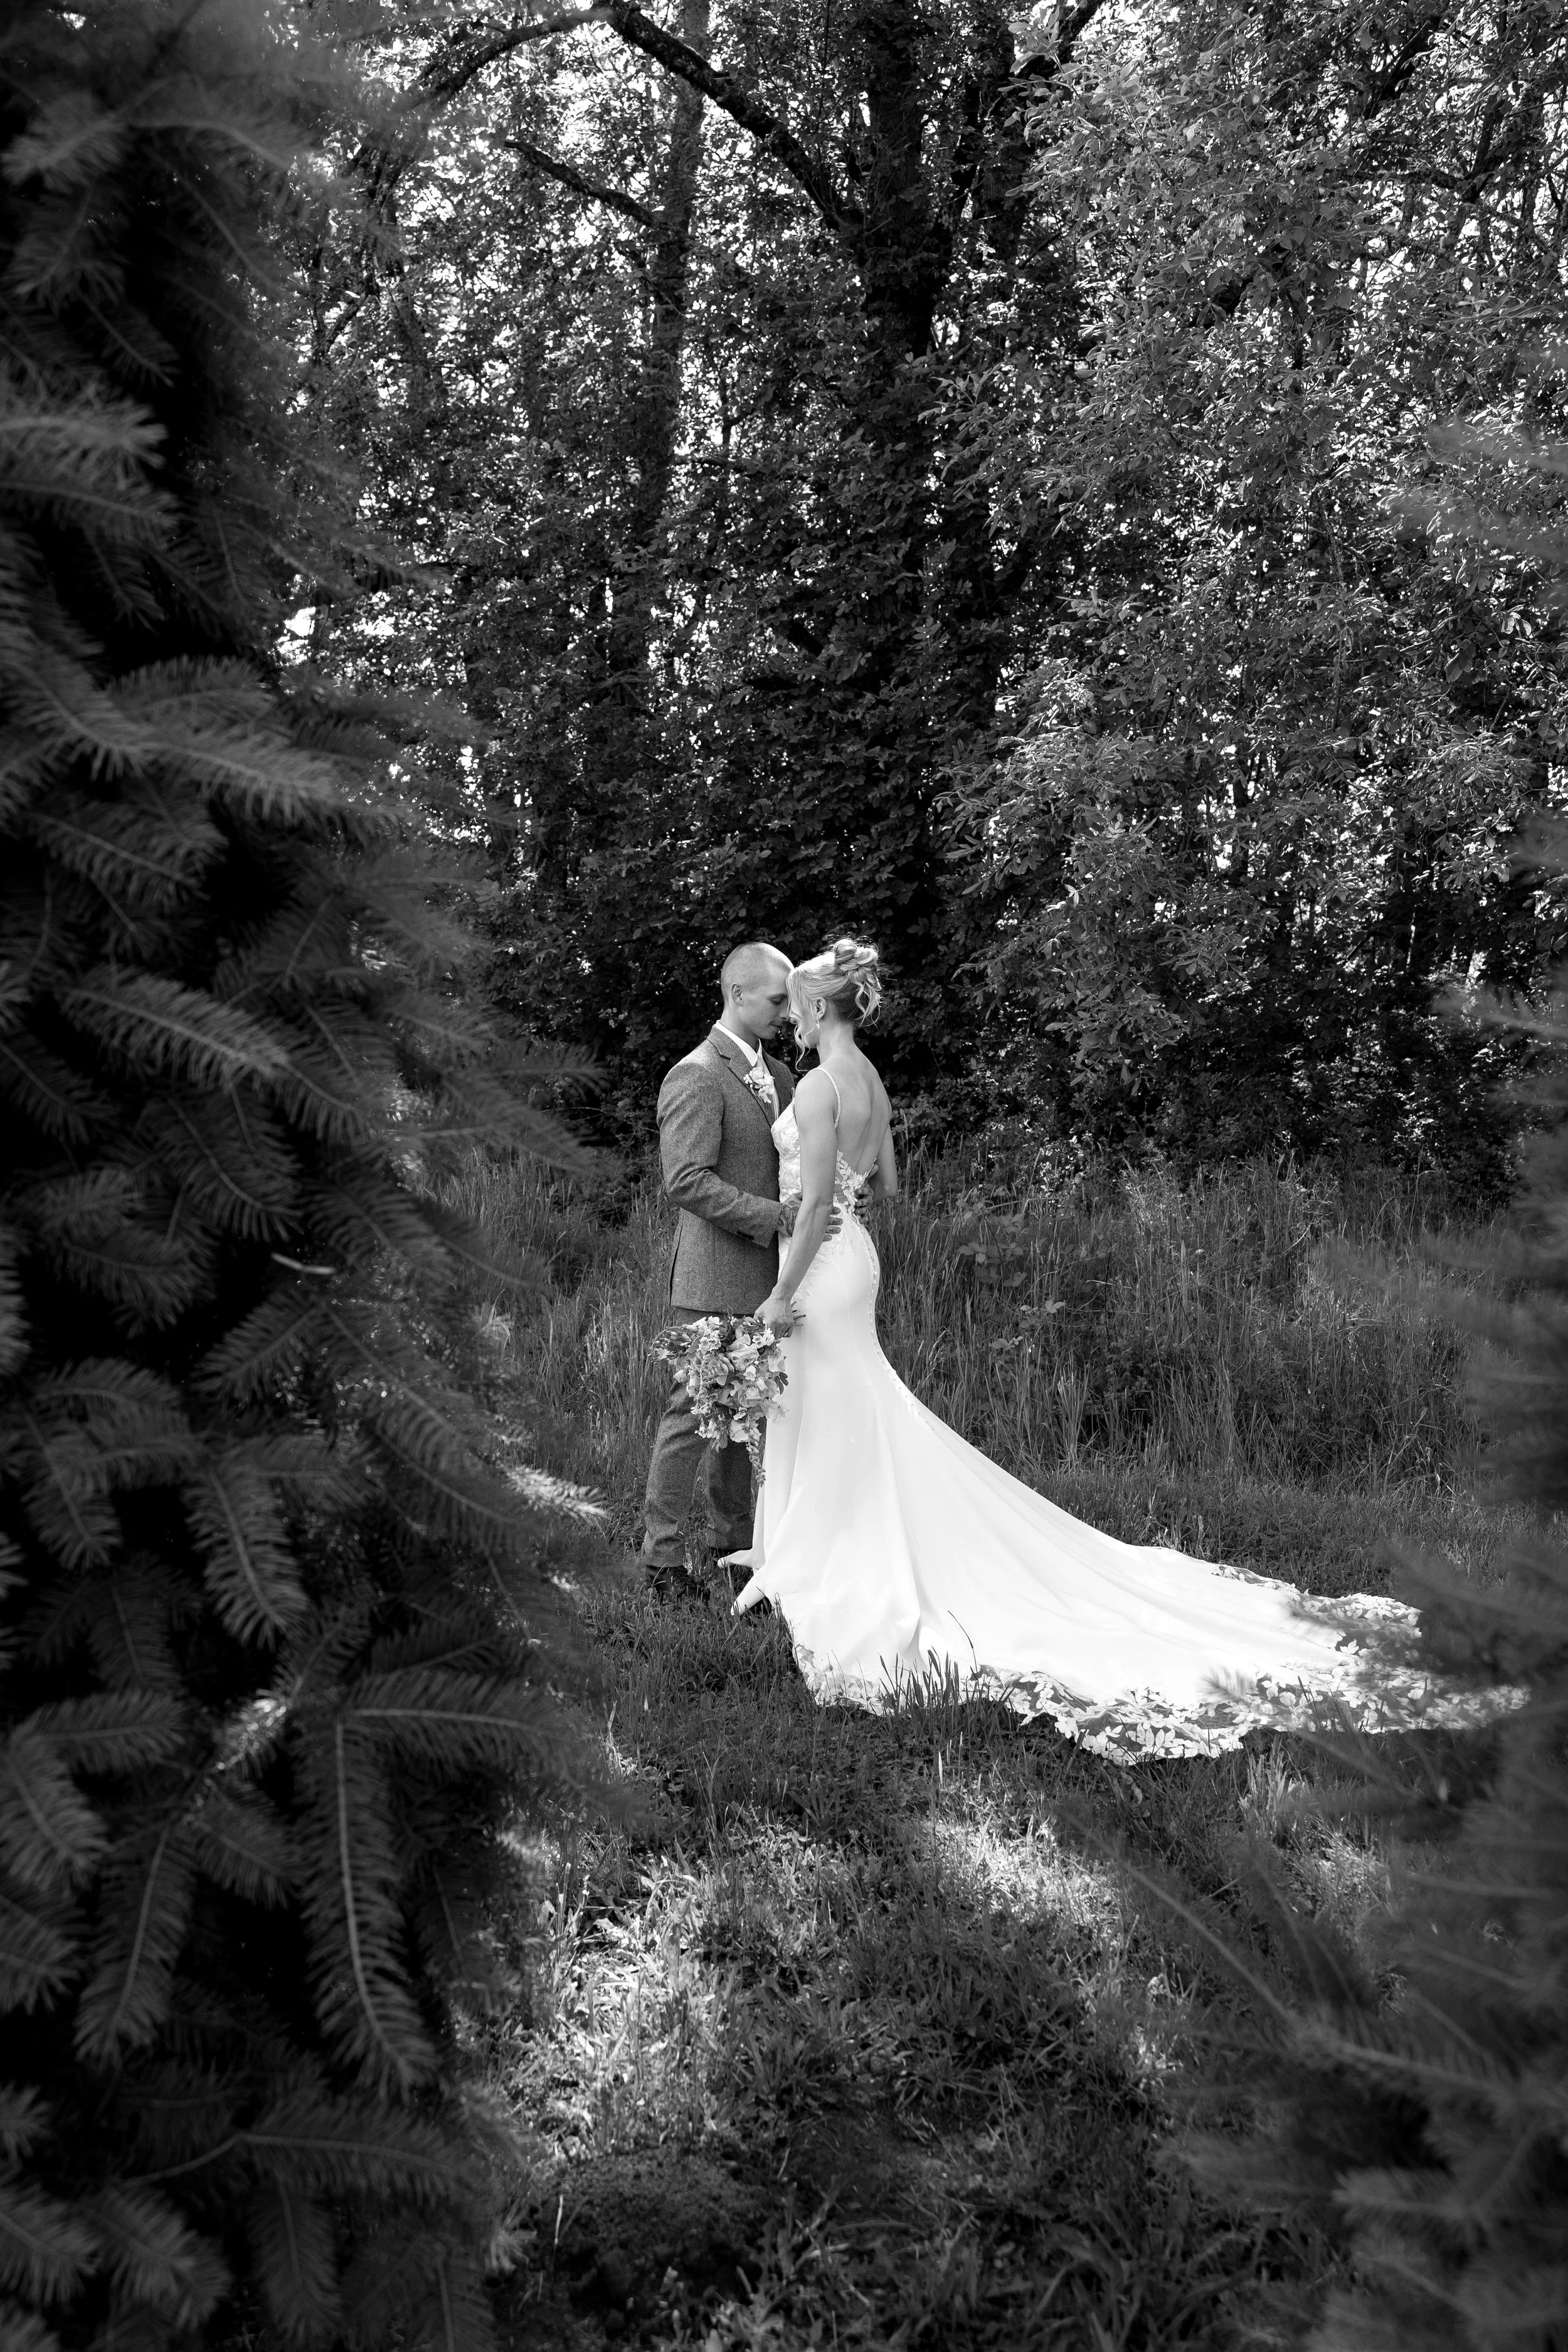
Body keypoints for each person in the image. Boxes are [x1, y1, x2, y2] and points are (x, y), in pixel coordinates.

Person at [725, 938, 1488, 1760]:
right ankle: (799, 1547)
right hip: (857, 1256)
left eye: (793, 1005)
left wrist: (777, 1290)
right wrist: (832, 1206)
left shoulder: (812, 1086)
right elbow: (885, 1187)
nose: (788, 1018)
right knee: (844, 1406)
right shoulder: (866, 1079)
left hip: (817, 1267)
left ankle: (822, 1561)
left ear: (814, 1007)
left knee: (833, 1405)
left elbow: (806, 1213)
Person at [639, 941, 800, 1594]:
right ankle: (662, 1561)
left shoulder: (784, 1076)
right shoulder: (698, 1074)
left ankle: (734, 1553)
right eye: (775, 1000)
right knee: (692, 1419)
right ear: (737, 995)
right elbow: (684, 1180)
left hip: (768, 1282)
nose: (787, 1014)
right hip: (711, 1280)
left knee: (747, 1423)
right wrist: (773, 1216)